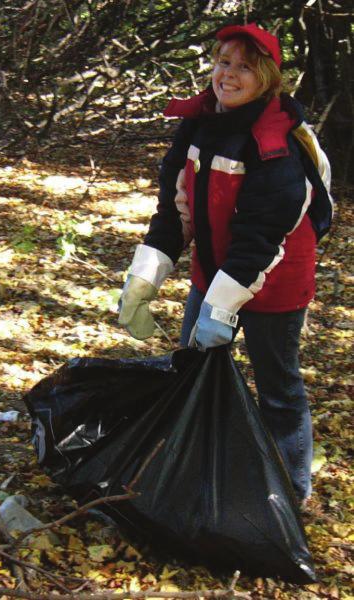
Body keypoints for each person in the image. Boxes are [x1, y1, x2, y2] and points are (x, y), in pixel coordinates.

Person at [118, 22, 333, 503]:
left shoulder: (275, 143)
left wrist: (222, 309)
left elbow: (261, 239)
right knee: (192, 372)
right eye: (223, 62)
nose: (228, 75)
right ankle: (194, 477)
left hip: (275, 283)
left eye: (244, 67)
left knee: (278, 388)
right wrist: (144, 279)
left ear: (267, 78)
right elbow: (175, 211)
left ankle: (290, 496)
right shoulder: (197, 123)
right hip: (213, 272)